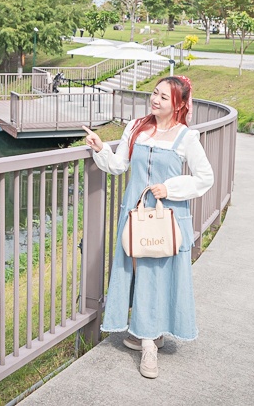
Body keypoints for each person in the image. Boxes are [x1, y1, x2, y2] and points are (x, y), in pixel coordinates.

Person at [83, 75, 214, 379]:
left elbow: (205, 178)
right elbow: (118, 166)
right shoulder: (136, 127)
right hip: (135, 215)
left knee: (157, 276)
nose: (155, 100)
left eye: (164, 97)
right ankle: (147, 334)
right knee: (139, 273)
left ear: (179, 105)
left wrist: (171, 189)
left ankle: (148, 345)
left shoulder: (186, 138)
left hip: (167, 217)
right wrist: (100, 147)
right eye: (154, 94)